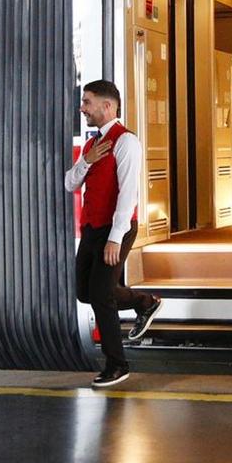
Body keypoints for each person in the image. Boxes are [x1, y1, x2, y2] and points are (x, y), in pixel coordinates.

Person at [65, 79, 159, 389]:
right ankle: (144, 302)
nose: (82, 108)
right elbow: (70, 183)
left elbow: (128, 193)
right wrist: (86, 163)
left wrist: (116, 236)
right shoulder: (92, 145)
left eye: (87, 102)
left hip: (116, 227)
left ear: (107, 106)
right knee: (84, 291)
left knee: (101, 295)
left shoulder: (126, 141)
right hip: (92, 227)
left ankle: (117, 365)